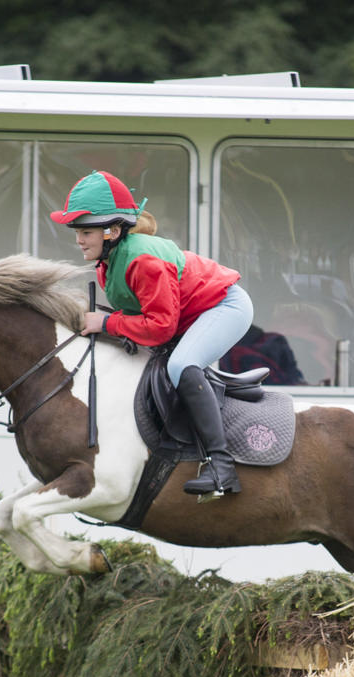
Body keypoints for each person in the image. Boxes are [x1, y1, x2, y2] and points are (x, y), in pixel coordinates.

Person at [51, 170, 254, 498]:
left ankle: (222, 466)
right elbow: (139, 313)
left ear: (113, 230)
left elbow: (160, 327)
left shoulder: (142, 260)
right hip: (192, 314)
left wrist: (106, 324)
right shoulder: (110, 259)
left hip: (224, 307)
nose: (79, 240)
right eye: (77, 231)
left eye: (86, 231)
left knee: (180, 366)